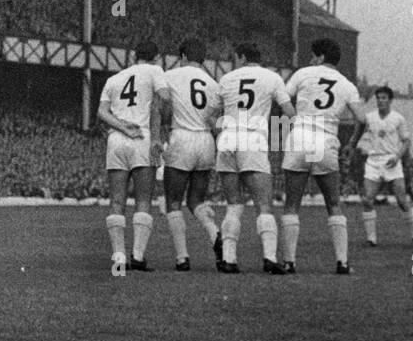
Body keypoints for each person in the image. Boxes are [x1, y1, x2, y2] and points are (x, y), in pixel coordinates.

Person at [280, 38, 366, 274]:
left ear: (319, 57)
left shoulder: (303, 73)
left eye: (312, 55)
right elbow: (363, 119)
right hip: (326, 140)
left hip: (300, 137)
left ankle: (289, 262)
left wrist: (291, 123)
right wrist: (352, 144)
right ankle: (342, 263)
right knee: (333, 204)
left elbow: (283, 101)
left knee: (292, 205)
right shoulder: (346, 84)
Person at [213, 43, 295, 273]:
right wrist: (283, 138)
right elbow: (289, 113)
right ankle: (269, 258)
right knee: (263, 204)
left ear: (241, 57)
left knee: (233, 204)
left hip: (228, 139)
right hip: (253, 140)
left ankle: (229, 260)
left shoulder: (226, 78)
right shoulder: (272, 77)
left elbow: (214, 114)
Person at [97, 40, 168, 272]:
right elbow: (165, 97)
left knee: (117, 200)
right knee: (143, 200)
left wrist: (122, 127)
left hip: (116, 138)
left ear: (133, 58)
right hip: (142, 136)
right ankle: (137, 256)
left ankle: (118, 258)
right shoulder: (155, 70)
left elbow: (101, 112)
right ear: (156, 57)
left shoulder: (114, 79)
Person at [159, 38, 221, 270]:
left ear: (183, 56)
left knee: (173, 201)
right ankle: (214, 232)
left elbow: (162, 106)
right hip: (206, 140)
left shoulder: (170, 75)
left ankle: (182, 257)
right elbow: (215, 117)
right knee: (196, 199)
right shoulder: (213, 83)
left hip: (182, 137)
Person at [358, 86, 413, 249]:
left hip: (391, 161)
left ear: (390, 100)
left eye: (384, 98)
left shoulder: (398, 118)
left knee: (401, 200)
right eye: (378, 98)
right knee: (367, 199)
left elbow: (406, 141)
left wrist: (397, 157)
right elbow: (361, 133)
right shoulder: (369, 117)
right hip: (373, 161)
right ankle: (372, 239)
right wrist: (360, 146)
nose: (380, 101)